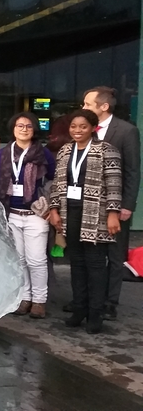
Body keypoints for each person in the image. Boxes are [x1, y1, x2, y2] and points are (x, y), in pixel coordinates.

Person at [47, 109, 122, 334]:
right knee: (77, 264)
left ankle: (96, 313)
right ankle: (79, 309)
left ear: (92, 128)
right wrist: (54, 209)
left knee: (96, 265)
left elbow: (115, 184)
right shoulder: (65, 150)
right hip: (70, 211)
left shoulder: (106, 150)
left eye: (82, 126)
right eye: (73, 127)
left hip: (96, 214)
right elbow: (58, 183)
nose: (77, 131)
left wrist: (113, 213)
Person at [82, 86, 140, 321]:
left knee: (115, 256)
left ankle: (110, 302)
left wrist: (126, 205)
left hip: (115, 206)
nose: (83, 108)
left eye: (87, 104)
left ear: (103, 106)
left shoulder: (126, 131)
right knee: (90, 254)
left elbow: (133, 171)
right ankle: (88, 299)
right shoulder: (84, 130)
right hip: (88, 204)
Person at [0, 112, 55, 319]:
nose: (24, 129)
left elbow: (54, 179)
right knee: (19, 259)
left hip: (36, 214)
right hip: (13, 212)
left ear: (34, 129)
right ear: (13, 128)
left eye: (28, 126)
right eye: (19, 126)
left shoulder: (43, 153)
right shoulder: (4, 153)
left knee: (36, 260)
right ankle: (25, 297)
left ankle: (39, 300)